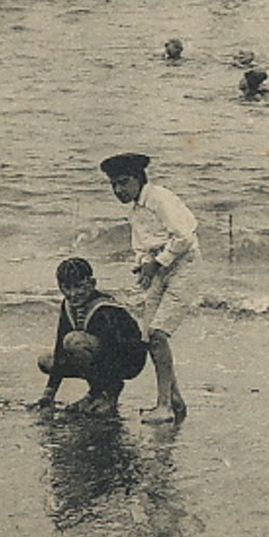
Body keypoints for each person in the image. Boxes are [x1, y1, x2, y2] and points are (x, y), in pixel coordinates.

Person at [99, 152, 198, 424]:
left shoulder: (159, 199)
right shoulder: (135, 210)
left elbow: (184, 237)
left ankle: (164, 405)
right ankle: (174, 398)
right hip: (160, 267)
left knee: (158, 332)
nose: (118, 190)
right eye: (113, 185)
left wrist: (157, 262)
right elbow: (140, 247)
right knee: (149, 333)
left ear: (139, 178)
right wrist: (143, 264)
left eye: (123, 182)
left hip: (184, 265)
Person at [33, 257, 148, 415]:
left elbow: (115, 351)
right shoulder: (68, 306)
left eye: (79, 287)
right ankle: (98, 392)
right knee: (46, 360)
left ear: (92, 283)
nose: (72, 294)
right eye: (66, 288)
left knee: (74, 342)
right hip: (98, 356)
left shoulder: (104, 309)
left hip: (127, 360)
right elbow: (60, 348)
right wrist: (48, 394)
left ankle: (107, 394)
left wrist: (103, 392)